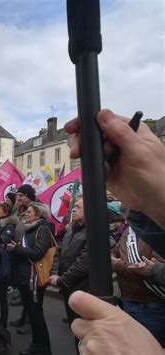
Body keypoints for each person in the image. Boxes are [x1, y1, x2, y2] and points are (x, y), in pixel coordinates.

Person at [65, 109, 165, 354]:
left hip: (149, 302)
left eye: (78, 206)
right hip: (129, 297)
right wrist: (153, 200)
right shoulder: (135, 223)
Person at [111, 211, 165, 347]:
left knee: (149, 346)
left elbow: (149, 268)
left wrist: (118, 264)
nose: (125, 215)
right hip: (128, 298)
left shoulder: (156, 230)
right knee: (132, 345)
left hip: (150, 303)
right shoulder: (128, 231)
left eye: (127, 210)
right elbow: (113, 253)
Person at [6, 202, 52, 355]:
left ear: (38, 215)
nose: (26, 213)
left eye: (30, 212)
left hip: (35, 277)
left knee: (36, 314)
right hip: (26, 276)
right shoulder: (31, 228)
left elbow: (38, 253)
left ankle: (42, 347)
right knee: (33, 314)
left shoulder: (42, 229)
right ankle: (37, 345)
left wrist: (17, 248)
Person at [49, 196, 88, 352]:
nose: (73, 209)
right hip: (68, 289)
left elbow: (84, 262)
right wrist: (54, 274)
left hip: (84, 289)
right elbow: (59, 253)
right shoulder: (71, 229)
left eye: (78, 206)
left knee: (85, 333)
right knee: (75, 330)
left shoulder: (94, 231)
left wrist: (62, 280)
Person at [10, 184, 37, 333]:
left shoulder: (35, 210)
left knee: (30, 294)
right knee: (23, 291)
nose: (18, 198)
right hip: (19, 254)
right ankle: (24, 317)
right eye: (17, 195)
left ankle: (30, 322)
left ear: (29, 196)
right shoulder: (19, 210)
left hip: (29, 257)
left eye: (21, 195)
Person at [0, 202, 17, 330]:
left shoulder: (9, 227)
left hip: (3, 268)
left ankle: (2, 326)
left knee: (2, 299)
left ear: (5, 213)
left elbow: (1, 240)